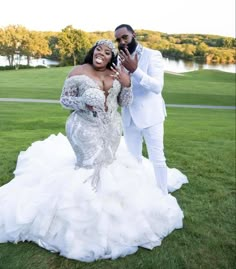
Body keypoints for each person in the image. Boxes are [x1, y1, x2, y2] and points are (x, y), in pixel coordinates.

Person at [0, 39, 188, 262]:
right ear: (93, 51)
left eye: (108, 52)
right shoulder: (78, 71)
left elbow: (125, 102)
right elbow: (64, 101)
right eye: (99, 49)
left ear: (111, 57)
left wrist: (127, 84)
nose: (102, 54)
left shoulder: (116, 73)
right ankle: (85, 220)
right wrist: (83, 103)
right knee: (89, 167)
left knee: (108, 164)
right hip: (83, 128)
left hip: (111, 129)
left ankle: (113, 217)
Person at [114, 24, 169, 195]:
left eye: (125, 37)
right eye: (118, 39)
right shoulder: (118, 58)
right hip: (128, 116)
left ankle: (163, 193)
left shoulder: (153, 55)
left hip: (150, 116)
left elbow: (157, 87)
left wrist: (135, 70)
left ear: (133, 35)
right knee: (133, 158)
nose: (122, 42)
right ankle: (137, 193)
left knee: (157, 158)